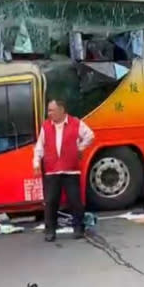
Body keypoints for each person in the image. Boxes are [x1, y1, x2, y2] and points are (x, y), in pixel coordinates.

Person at [33, 99, 95, 242]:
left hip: (71, 170)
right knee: (51, 202)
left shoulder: (75, 123)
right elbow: (39, 147)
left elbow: (90, 135)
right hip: (52, 171)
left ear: (61, 110)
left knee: (75, 201)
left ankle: (78, 228)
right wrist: (36, 162)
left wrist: (79, 148)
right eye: (49, 110)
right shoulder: (46, 126)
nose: (49, 113)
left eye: (52, 110)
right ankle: (50, 231)